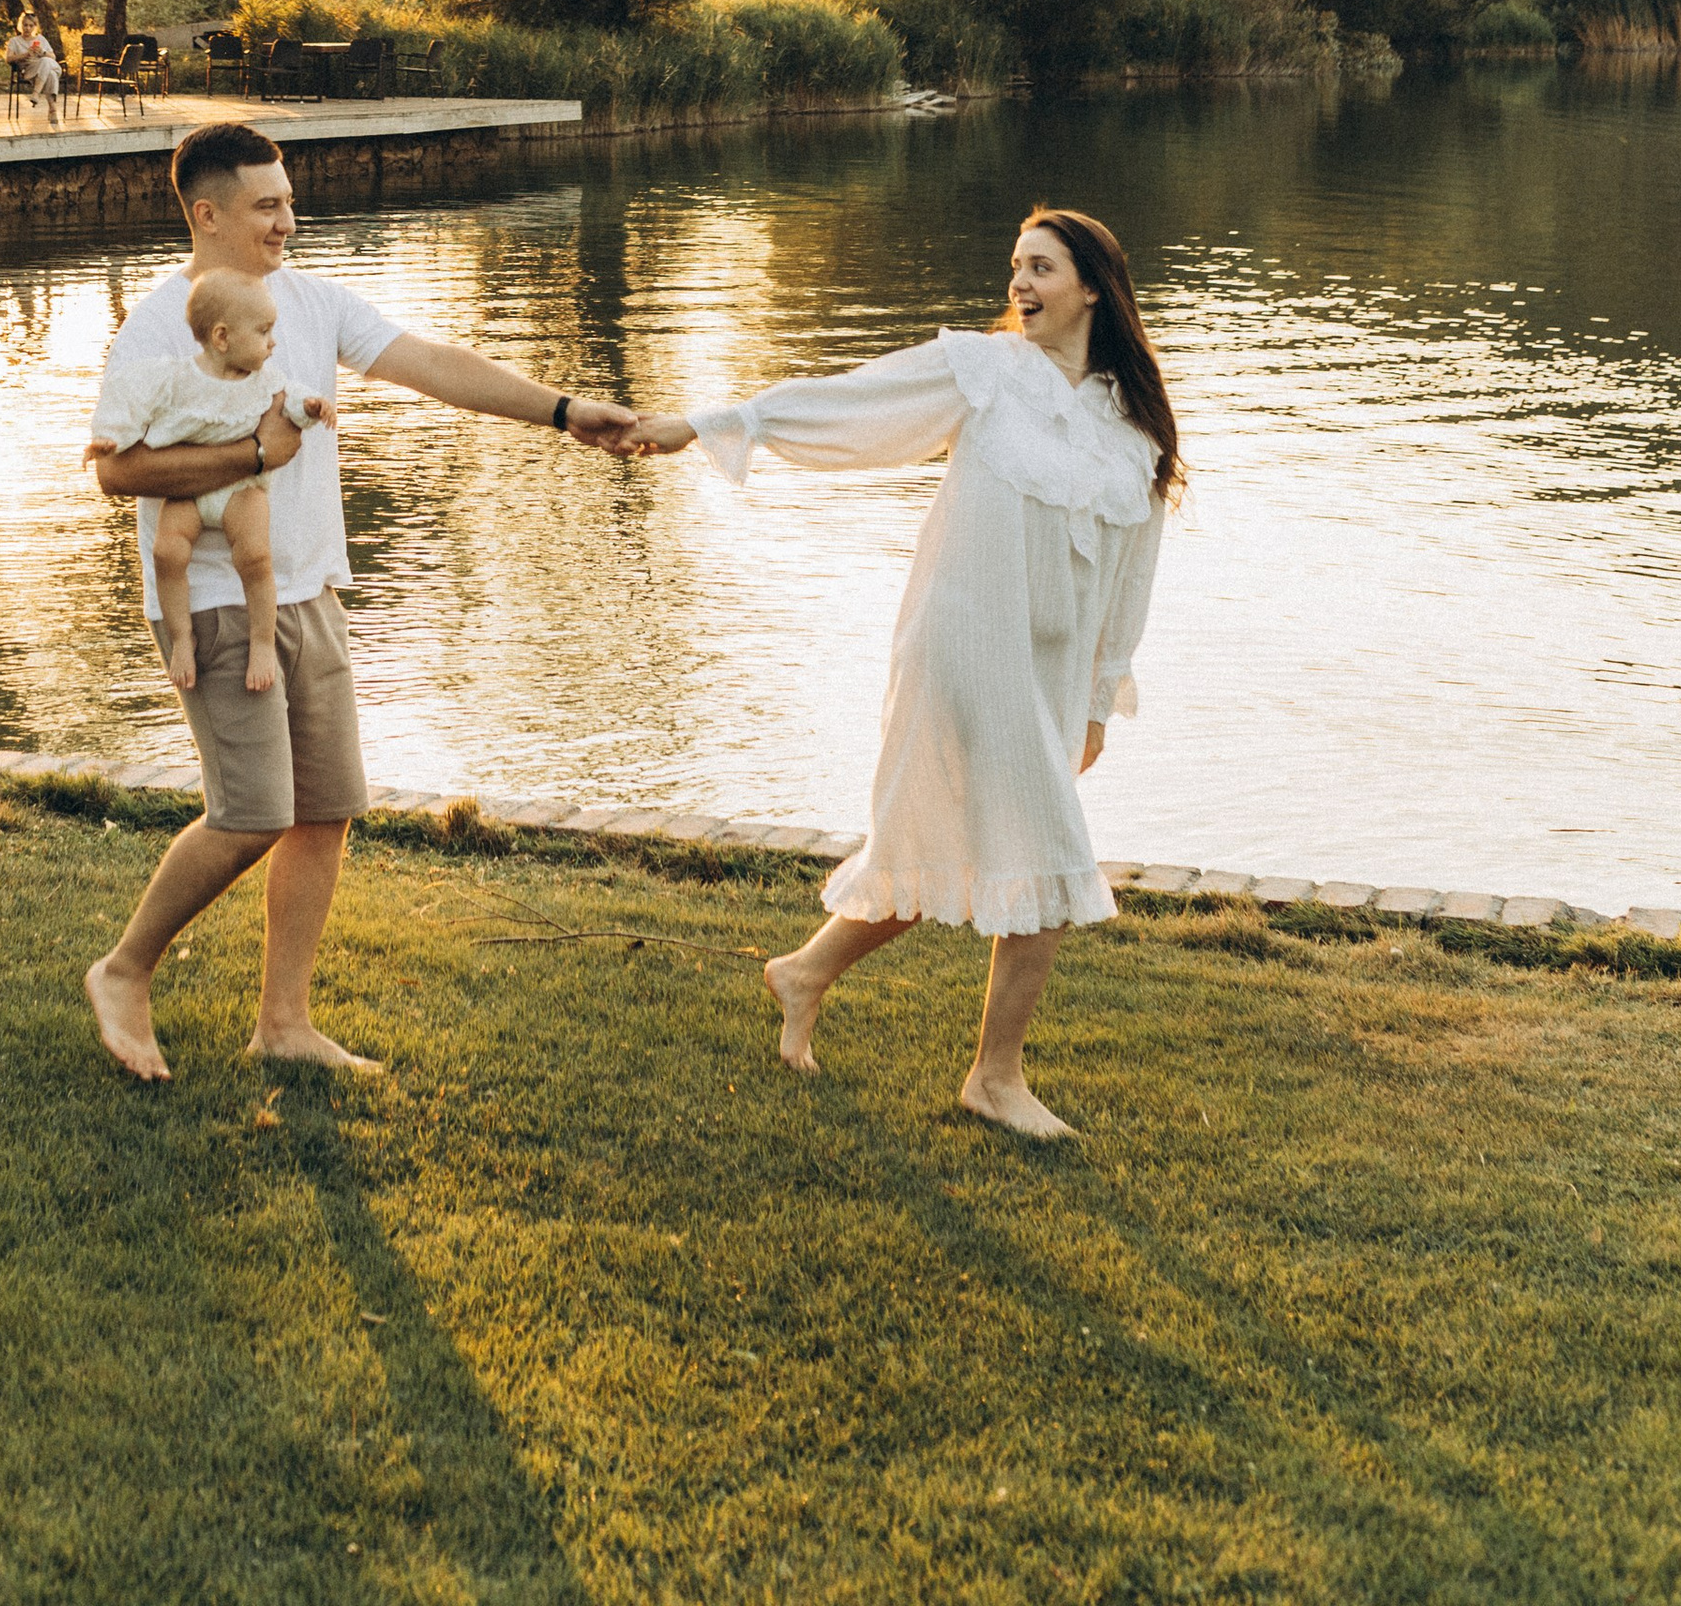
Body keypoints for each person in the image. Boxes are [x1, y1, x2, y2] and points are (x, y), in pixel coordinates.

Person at [81, 118, 640, 1083]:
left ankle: (284, 1022)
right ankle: (124, 968)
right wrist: (251, 456)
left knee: (324, 809)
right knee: (251, 813)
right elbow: (117, 472)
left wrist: (561, 409)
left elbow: (432, 364)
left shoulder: (311, 300)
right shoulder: (156, 326)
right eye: (267, 206)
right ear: (206, 215)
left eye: (289, 201)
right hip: (218, 600)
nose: (288, 221)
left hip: (312, 589)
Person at [634, 206, 1181, 1142]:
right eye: (1015, 266)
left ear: (1092, 286)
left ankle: (803, 974)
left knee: (956, 843)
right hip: (968, 642)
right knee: (1048, 857)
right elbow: (855, 402)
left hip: (1048, 667)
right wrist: (710, 423)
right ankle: (995, 1079)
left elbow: (1132, 581)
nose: (1020, 284)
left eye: (1041, 268)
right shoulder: (988, 372)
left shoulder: (1133, 431)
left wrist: (1097, 699)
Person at [94, 270, 333, 694]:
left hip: (241, 491)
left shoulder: (266, 380)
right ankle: (182, 638)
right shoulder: (174, 378)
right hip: (187, 492)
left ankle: (262, 641)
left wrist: (312, 407)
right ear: (221, 338)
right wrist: (109, 438)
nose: (272, 341)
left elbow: (292, 403)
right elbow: (130, 397)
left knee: (256, 557)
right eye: (263, 331)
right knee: (167, 553)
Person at [6, 11, 62, 115]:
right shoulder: (14, 40)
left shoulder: (40, 39)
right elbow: (8, 59)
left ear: (35, 27)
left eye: (31, 26)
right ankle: (52, 108)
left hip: (43, 69)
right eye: (25, 25)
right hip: (28, 71)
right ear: (21, 25)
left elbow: (53, 57)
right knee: (51, 71)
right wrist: (25, 55)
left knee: (48, 67)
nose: (27, 28)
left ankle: (38, 95)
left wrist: (42, 52)